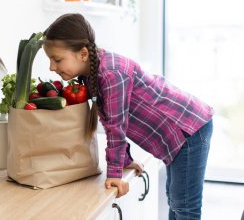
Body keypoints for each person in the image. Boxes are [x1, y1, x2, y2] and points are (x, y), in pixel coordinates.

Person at [42, 13, 214, 220]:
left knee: (185, 206)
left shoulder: (110, 73)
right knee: (176, 201)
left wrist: (115, 174)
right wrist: (123, 160)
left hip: (188, 128)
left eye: (57, 59)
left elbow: (117, 125)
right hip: (178, 134)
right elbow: (108, 118)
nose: (52, 67)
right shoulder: (91, 75)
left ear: (83, 54)